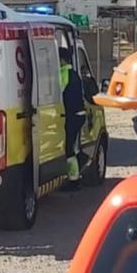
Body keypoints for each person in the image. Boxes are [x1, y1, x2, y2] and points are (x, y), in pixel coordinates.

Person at [59, 47, 86, 191]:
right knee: (72, 146)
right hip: (78, 114)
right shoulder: (73, 73)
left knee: (69, 149)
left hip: (73, 116)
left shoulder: (64, 73)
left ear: (62, 60)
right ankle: (75, 174)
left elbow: (59, 92)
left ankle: (74, 180)